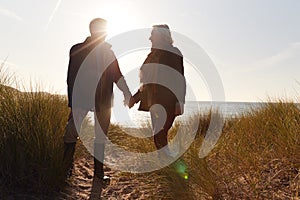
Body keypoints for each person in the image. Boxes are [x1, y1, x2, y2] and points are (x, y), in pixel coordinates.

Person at [63, 18, 132, 180]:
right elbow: (71, 77)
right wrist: (73, 103)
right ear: (93, 30)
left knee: (100, 136)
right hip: (83, 99)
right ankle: (66, 169)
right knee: (71, 133)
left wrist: (127, 93)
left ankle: (98, 174)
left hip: (103, 100)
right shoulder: (77, 49)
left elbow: (117, 75)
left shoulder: (108, 52)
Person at [130, 24, 186, 158]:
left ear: (161, 36)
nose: (150, 38)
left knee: (160, 133)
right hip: (154, 101)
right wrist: (135, 98)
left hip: (168, 100)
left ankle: (171, 165)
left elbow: (179, 78)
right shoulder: (152, 55)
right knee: (159, 135)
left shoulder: (173, 52)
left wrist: (179, 102)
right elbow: (147, 82)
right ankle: (167, 166)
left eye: (152, 34)